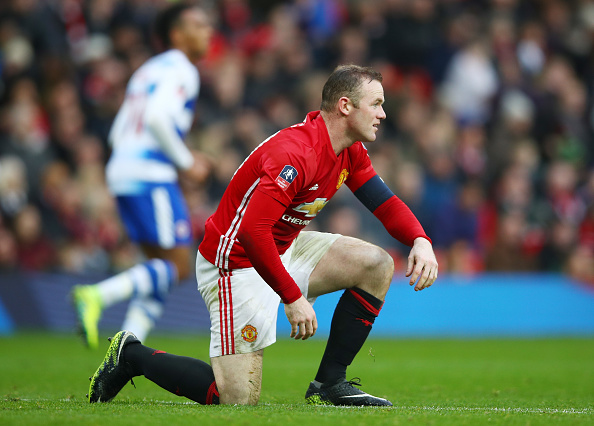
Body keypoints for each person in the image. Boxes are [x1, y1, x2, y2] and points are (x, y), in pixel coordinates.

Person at [86, 65, 438, 407]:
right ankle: (130, 355)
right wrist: (292, 296)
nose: (383, 114)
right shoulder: (295, 154)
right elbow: (252, 233)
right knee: (236, 398)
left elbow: (385, 203)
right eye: (376, 103)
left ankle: (330, 384)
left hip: (283, 247)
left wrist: (420, 239)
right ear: (346, 106)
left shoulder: (349, 150)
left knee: (376, 264)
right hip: (236, 261)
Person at [71, 4, 213, 349]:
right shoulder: (183, 69)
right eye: (198, 24)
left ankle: (124, 348)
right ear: (177, 34)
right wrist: (186, 162)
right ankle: (96, 295)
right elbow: (155, 119)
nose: (208, 30)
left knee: (158, 269)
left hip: (124, 170)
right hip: (150, 174)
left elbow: (118, 132)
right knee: (178, 267)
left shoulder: (148, 70)